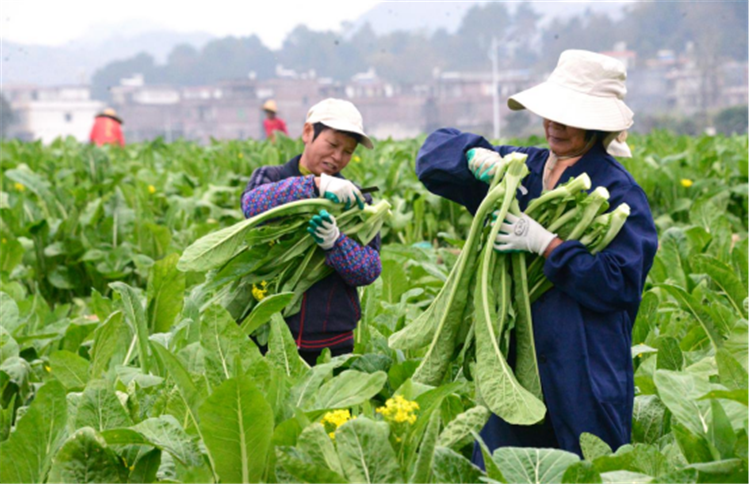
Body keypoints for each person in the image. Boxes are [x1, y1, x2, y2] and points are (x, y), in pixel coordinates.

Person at [415, 50, 658, 461]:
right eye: (551, 113)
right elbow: (432, 159)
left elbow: (619, 285)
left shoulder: (618, 193)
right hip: (513, 365)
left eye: (569, 118)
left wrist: (550, 246)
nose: (554, 126)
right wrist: (473, 157)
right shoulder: (521, 168)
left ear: (598, 126)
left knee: (586, 468)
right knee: (501, 467)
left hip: (584, 367)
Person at [241, 98, 380, 365]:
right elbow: (251, 206)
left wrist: (336, 244)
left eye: (348, 151)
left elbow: (369, 269)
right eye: (333, 145)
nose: (338, 157)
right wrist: (313, 186)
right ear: (307, 133)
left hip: (332, 340)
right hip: (269, 333)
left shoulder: (358, 200)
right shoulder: (271, 177)